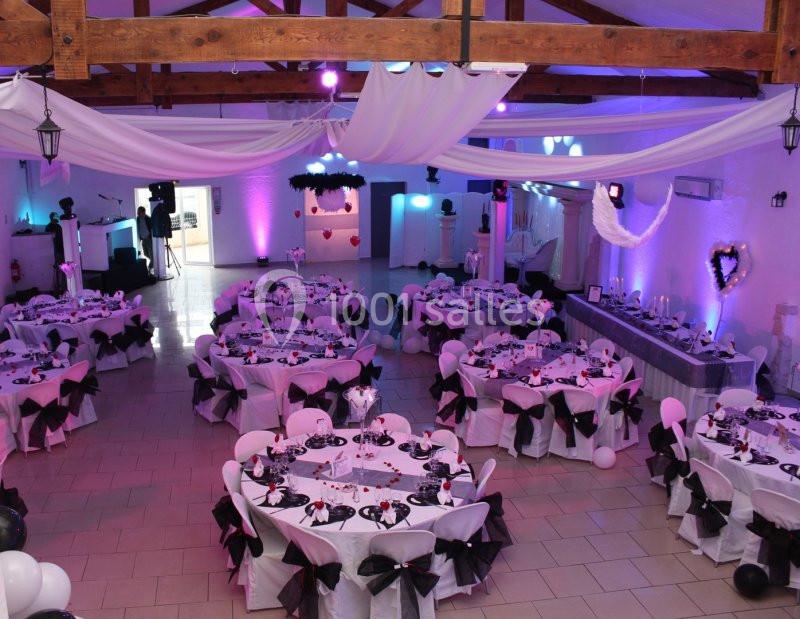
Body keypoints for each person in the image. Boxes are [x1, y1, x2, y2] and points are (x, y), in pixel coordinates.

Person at [136, 206, 153, 271]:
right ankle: (153, 261)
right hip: (143, 239)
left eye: (139, 212)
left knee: (151, 255)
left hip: (148, 239)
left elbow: (151, 229)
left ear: (143, 212)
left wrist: (151, 237)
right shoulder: (137, 219)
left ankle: (149, 268)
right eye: (138, 212)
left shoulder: (148, 219)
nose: (138, 213)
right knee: (145, 253)